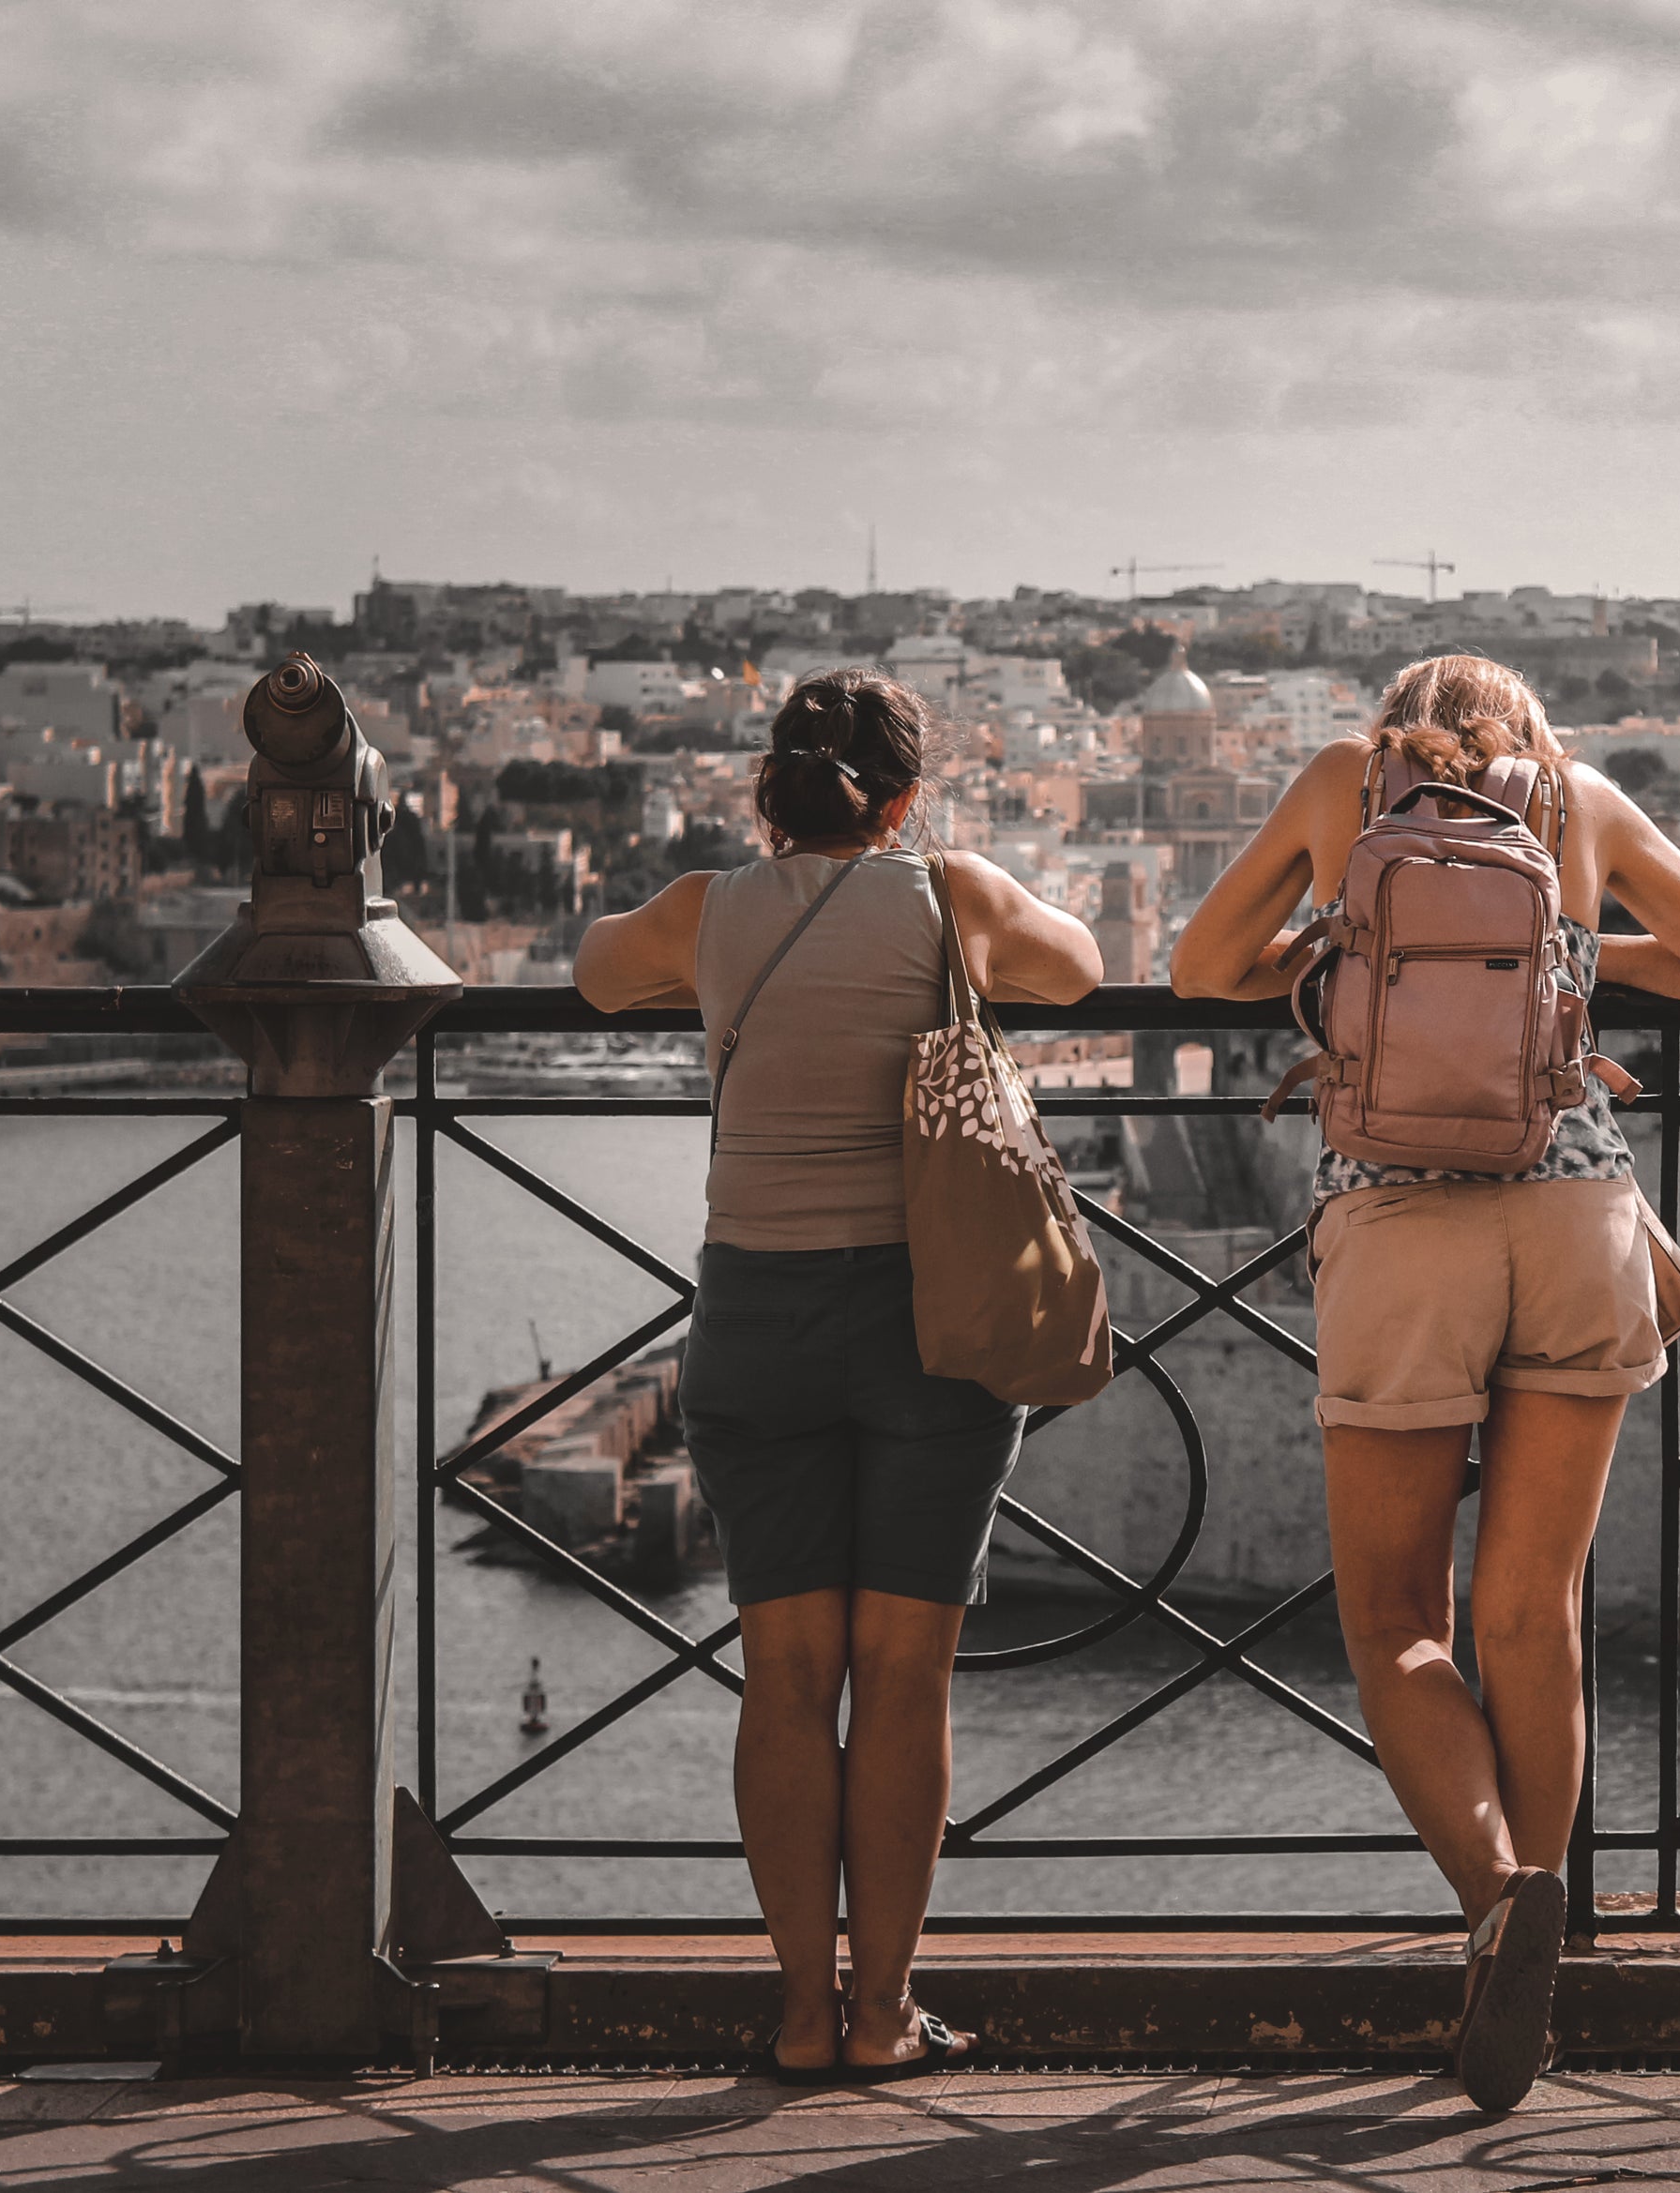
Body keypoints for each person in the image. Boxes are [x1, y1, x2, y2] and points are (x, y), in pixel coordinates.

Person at [1169, 656, 1680, 2112]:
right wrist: (1576, 950)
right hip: (1577, 1220)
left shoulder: (1343, 785)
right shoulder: (1581, 804)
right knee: (1534, 1612)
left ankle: (1502, 1900)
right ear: (1530, 732)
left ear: (1402, 720)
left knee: (1398, 1620)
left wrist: (1338, 950)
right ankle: (1540, 1975)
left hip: (1399, 1229)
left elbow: (1199, 967)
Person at [575, 670, 1103, 2080]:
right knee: (905, 1673)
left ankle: (802, 2010)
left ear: (773, 784)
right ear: (907, 793)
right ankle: (885, 2015)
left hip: (756, 1312)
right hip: (932, 1317)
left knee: (786, 1674)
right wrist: (958, 894)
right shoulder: (951, 894)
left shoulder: (706, 911)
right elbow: (1080, 967)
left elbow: (591, 966)